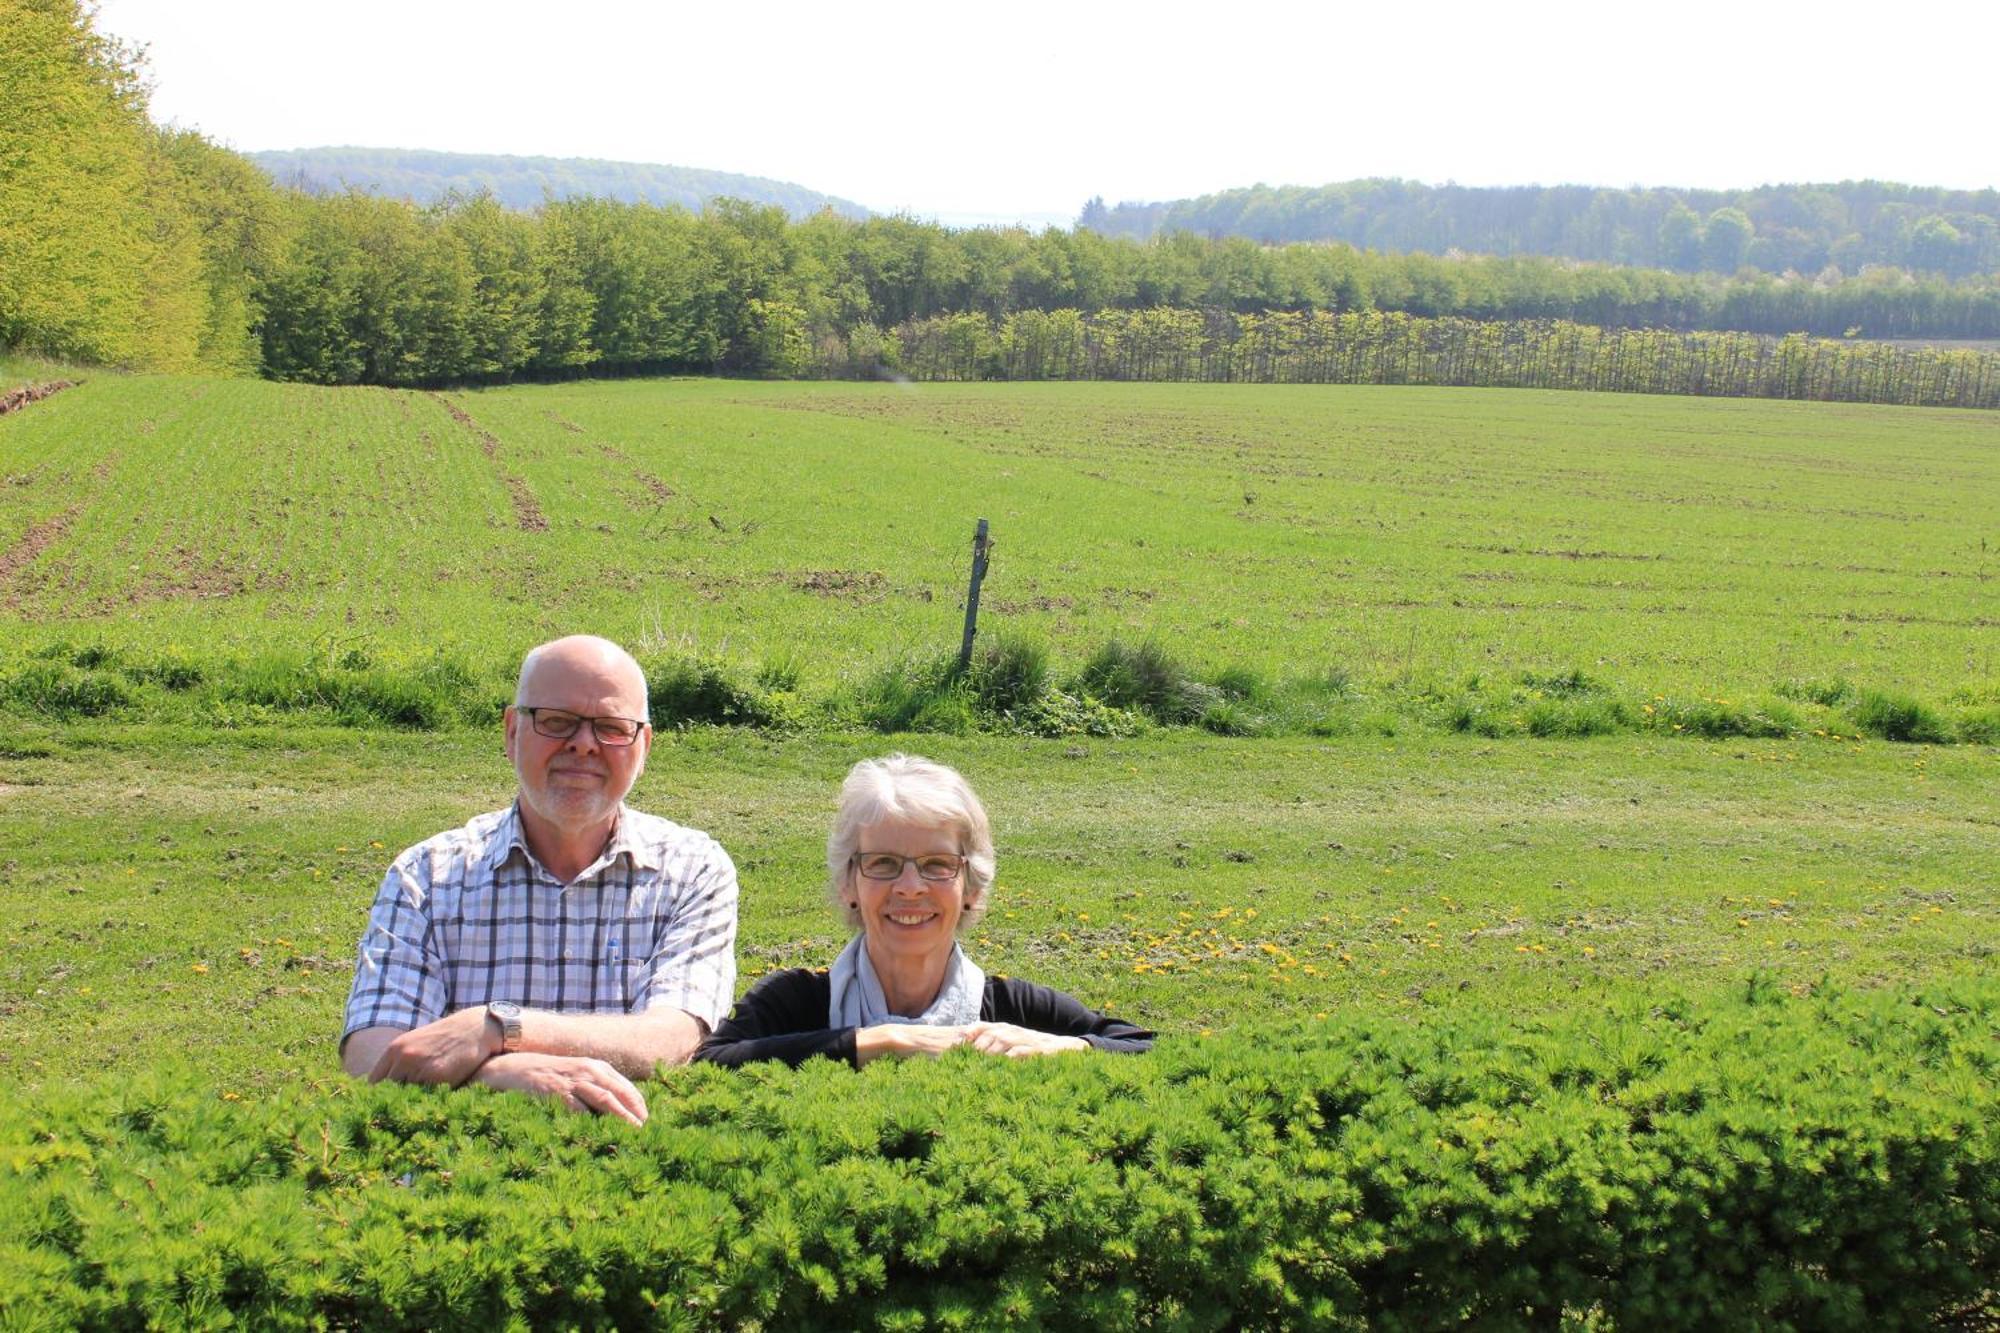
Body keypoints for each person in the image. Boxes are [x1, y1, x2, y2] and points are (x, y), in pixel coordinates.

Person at [340, 634, 737, 1125]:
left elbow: (671, 1040)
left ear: (644, 746)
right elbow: (371, 1058)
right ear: (511, 732)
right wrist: (510, 1073)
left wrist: (493, 1030)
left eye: (612, 728)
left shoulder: (693, 871)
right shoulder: (426, 877)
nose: (583, 744)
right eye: (556, 721)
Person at [697, 753, 1152, 1068]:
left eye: (937, 865)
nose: (910, 888)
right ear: (848, 885)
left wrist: (1061, 1046)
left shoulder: (1011, 1010)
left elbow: (1149, 1048)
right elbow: (708, 1064)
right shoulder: (795, 1002)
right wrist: (880, 1041)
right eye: (883, 864)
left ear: (970, 888)